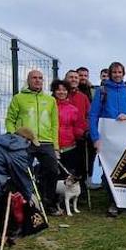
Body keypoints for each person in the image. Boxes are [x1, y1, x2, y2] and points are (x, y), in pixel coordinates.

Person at [88, 61, 126, 215]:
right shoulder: (102, 91)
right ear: (111, 74)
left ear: (123, 73)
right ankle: (113, 201)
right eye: (115, 72)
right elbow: (93, 115)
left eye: (120, 72)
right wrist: (95, 137)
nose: (117, 75)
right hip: (106, 137)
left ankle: (125, 201)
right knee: (108, 170)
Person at [5, 68, 59, 214]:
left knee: (53, 171)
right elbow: (10, 120)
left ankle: (49, 203)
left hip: (46, 142)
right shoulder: (18, 98)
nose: (37, 80)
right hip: (25, 141)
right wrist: (13, 137)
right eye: (34, 78)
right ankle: (24, 204)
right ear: (28, 80)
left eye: (40, 78)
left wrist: (55, 145)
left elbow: (55, 124)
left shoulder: (50, 100)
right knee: (22, 172)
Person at [52, 80, 86, 209]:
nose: (62, 92)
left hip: (70, 145)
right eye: (59, 90)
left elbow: (79, 125)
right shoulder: (50, 106)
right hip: (53, 145)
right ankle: (54, 202)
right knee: (55, 176)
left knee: (69, 175)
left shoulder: (73, 109)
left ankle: (71, 201)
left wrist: (82, 133)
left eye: (64, 90)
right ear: (54, 92)